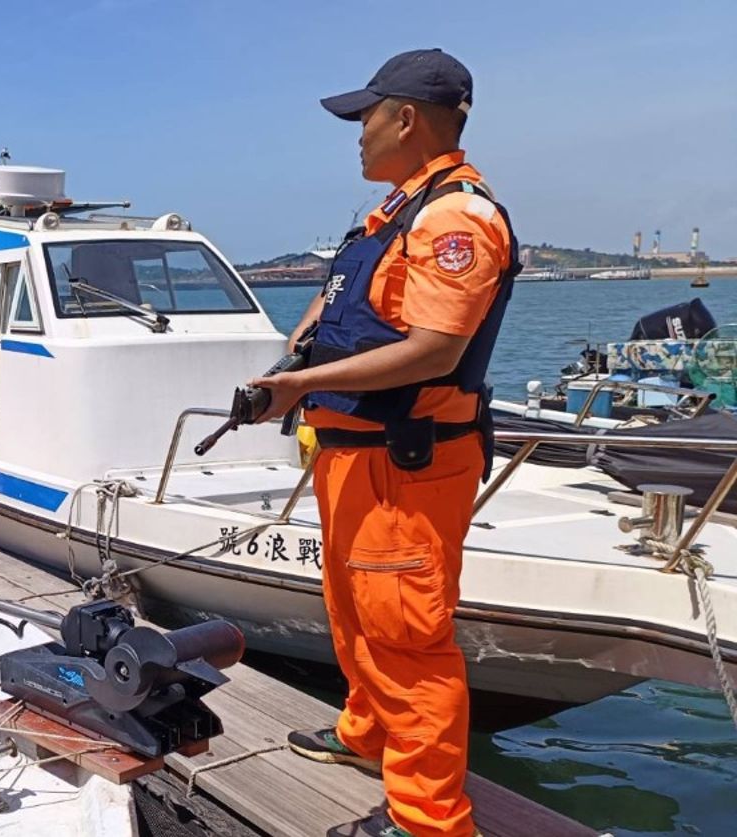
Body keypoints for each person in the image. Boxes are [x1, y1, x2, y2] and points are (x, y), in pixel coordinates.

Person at [248, 49, 518, 837]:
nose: (356, 134)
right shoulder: (396, 214)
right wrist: (292, 363)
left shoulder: (455, 218)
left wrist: (296, 388)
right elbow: (337, 312)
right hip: (352, 457)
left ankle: (430, 819)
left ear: (405, 118)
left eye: (364, 116)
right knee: (356, 611)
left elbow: (436, 347)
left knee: (407, 635)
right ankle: (368, 731)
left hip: (409, 460)